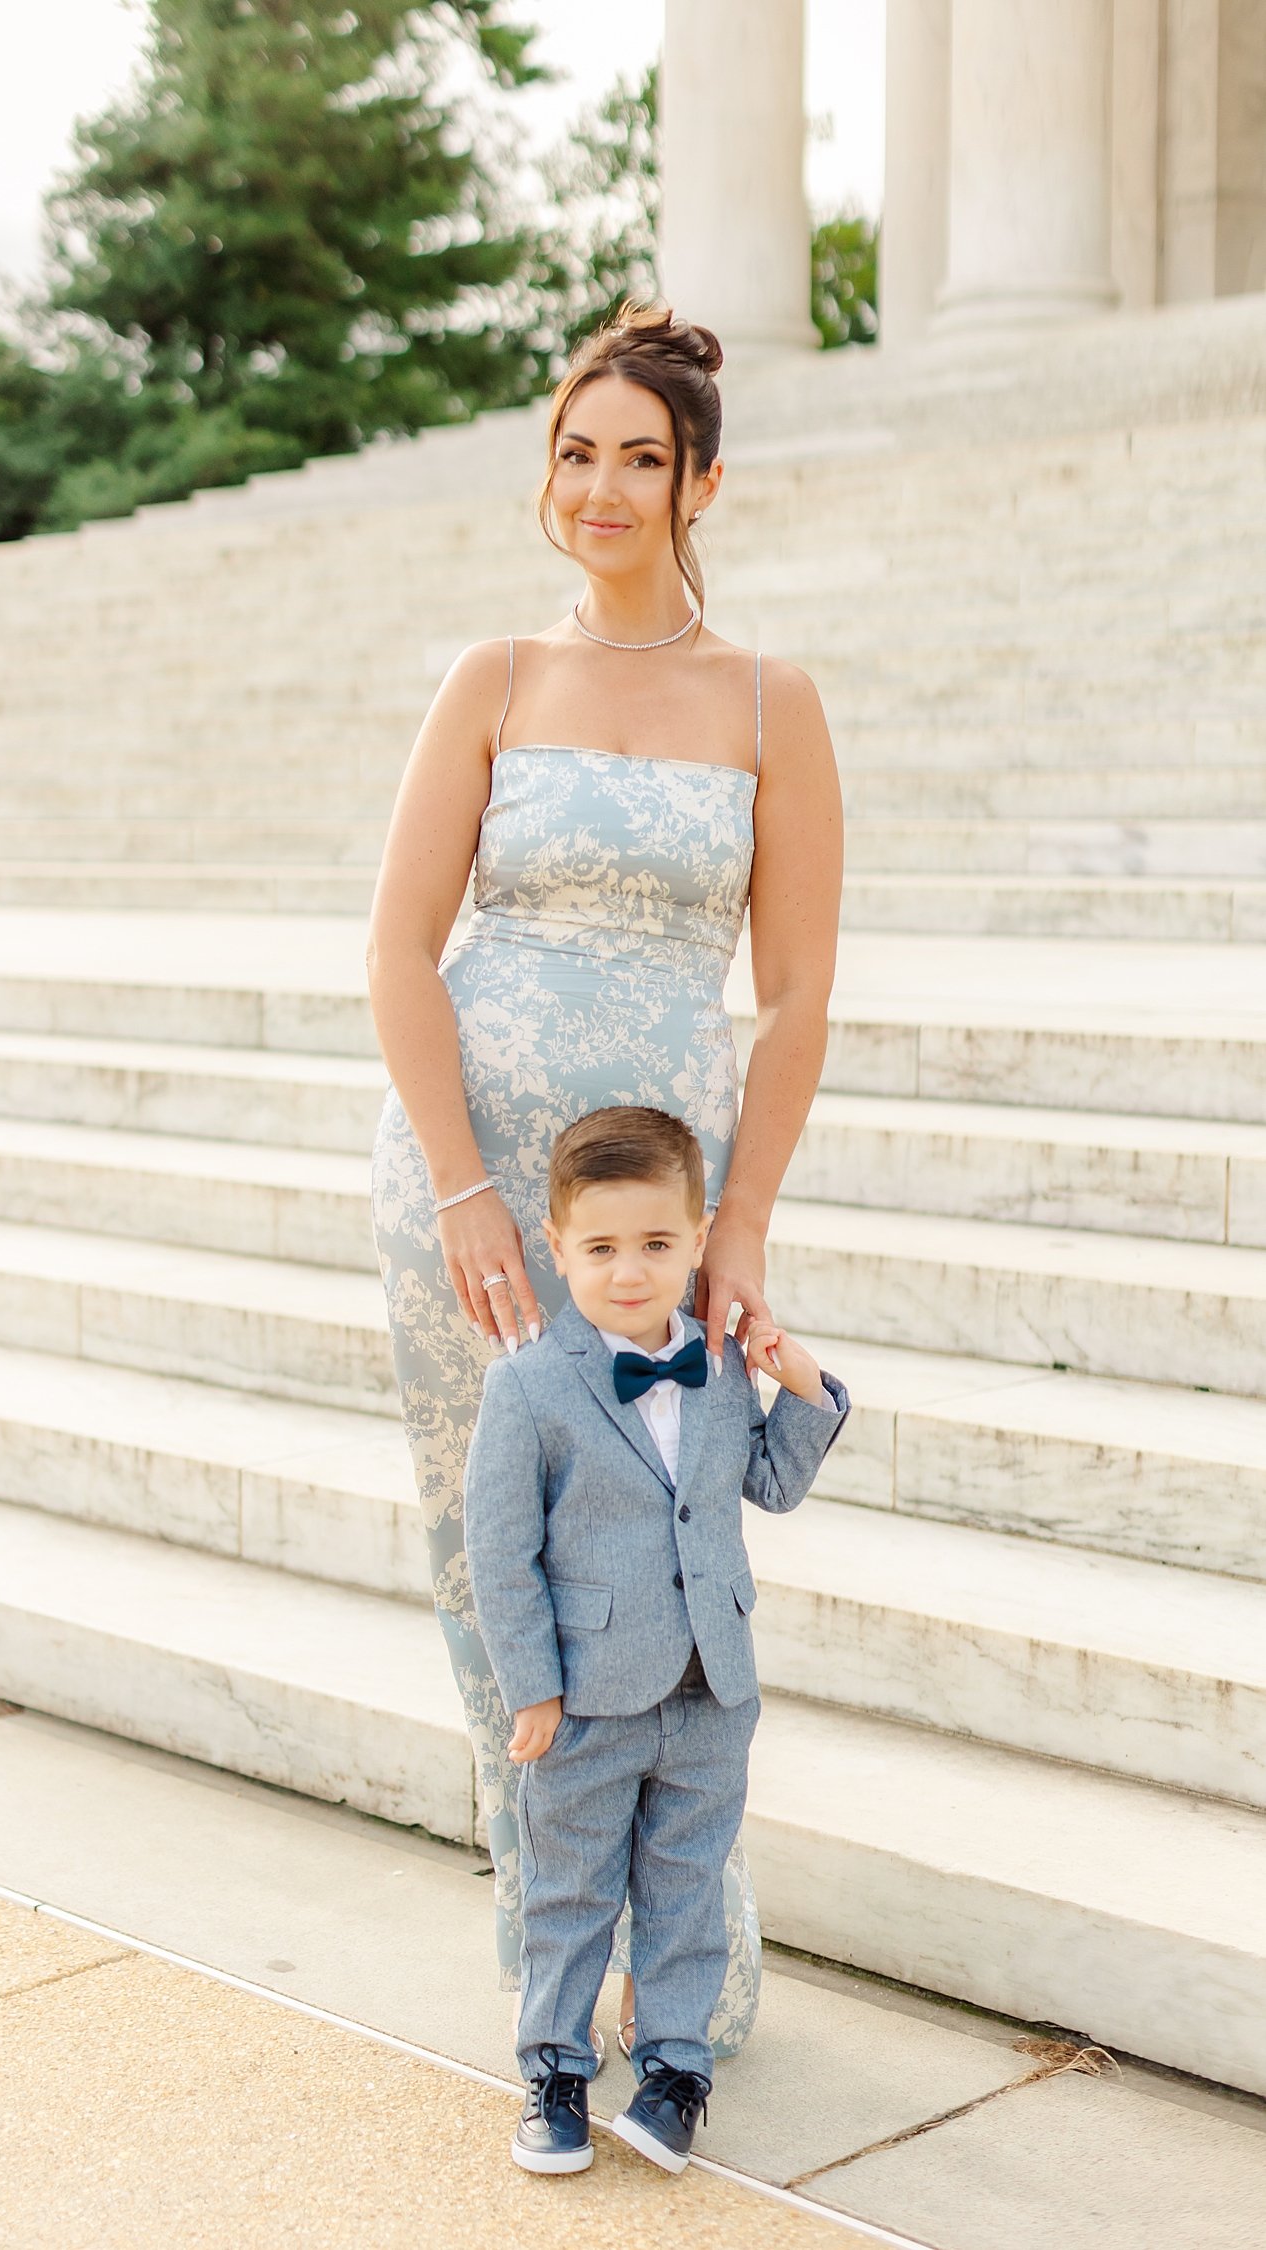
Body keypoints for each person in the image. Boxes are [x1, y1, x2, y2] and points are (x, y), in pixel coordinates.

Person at [366, 297, 845, 2059]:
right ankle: (553, 1955)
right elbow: (401, 950)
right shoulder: (491, 678)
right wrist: (458, 1190)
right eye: (578, 452)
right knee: (496, 1565)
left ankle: (684, 1960)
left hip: (659, 1220)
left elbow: (793, 996)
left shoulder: (769, 701)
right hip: (477, 1203)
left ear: (700, 479)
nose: (604, 486)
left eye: (642, 457)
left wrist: (742, 1224)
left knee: (661, 1559)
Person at [463, 1105, 849, 2174]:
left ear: (697, 1237)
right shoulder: (529, 1385)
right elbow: (502, 1555)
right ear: (557, 1249)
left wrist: (799, 1381)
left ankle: (677, 2069)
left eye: (655, 1245)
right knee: (572, 1888)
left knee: (687, 1887)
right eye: (600, 1249)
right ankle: (554, 2069)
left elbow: (768, 1483)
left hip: (709, 1690)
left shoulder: (723, 1368)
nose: (629, 1272)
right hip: (587, 1695)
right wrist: (532, 1689)